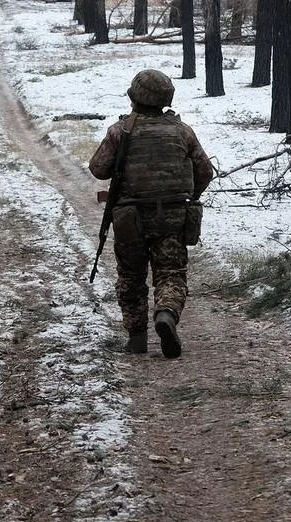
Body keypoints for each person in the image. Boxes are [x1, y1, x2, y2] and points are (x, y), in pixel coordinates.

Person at [88, 69, 213, 358]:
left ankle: (136, 337)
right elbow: (205, 171)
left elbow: (97, 168)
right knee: (170, 273)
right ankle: (166, 314)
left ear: (135, 98)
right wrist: (188, 196)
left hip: (130, 218)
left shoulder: (121, 132)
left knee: (131, 276)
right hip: (173, 217)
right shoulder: (183, 131)